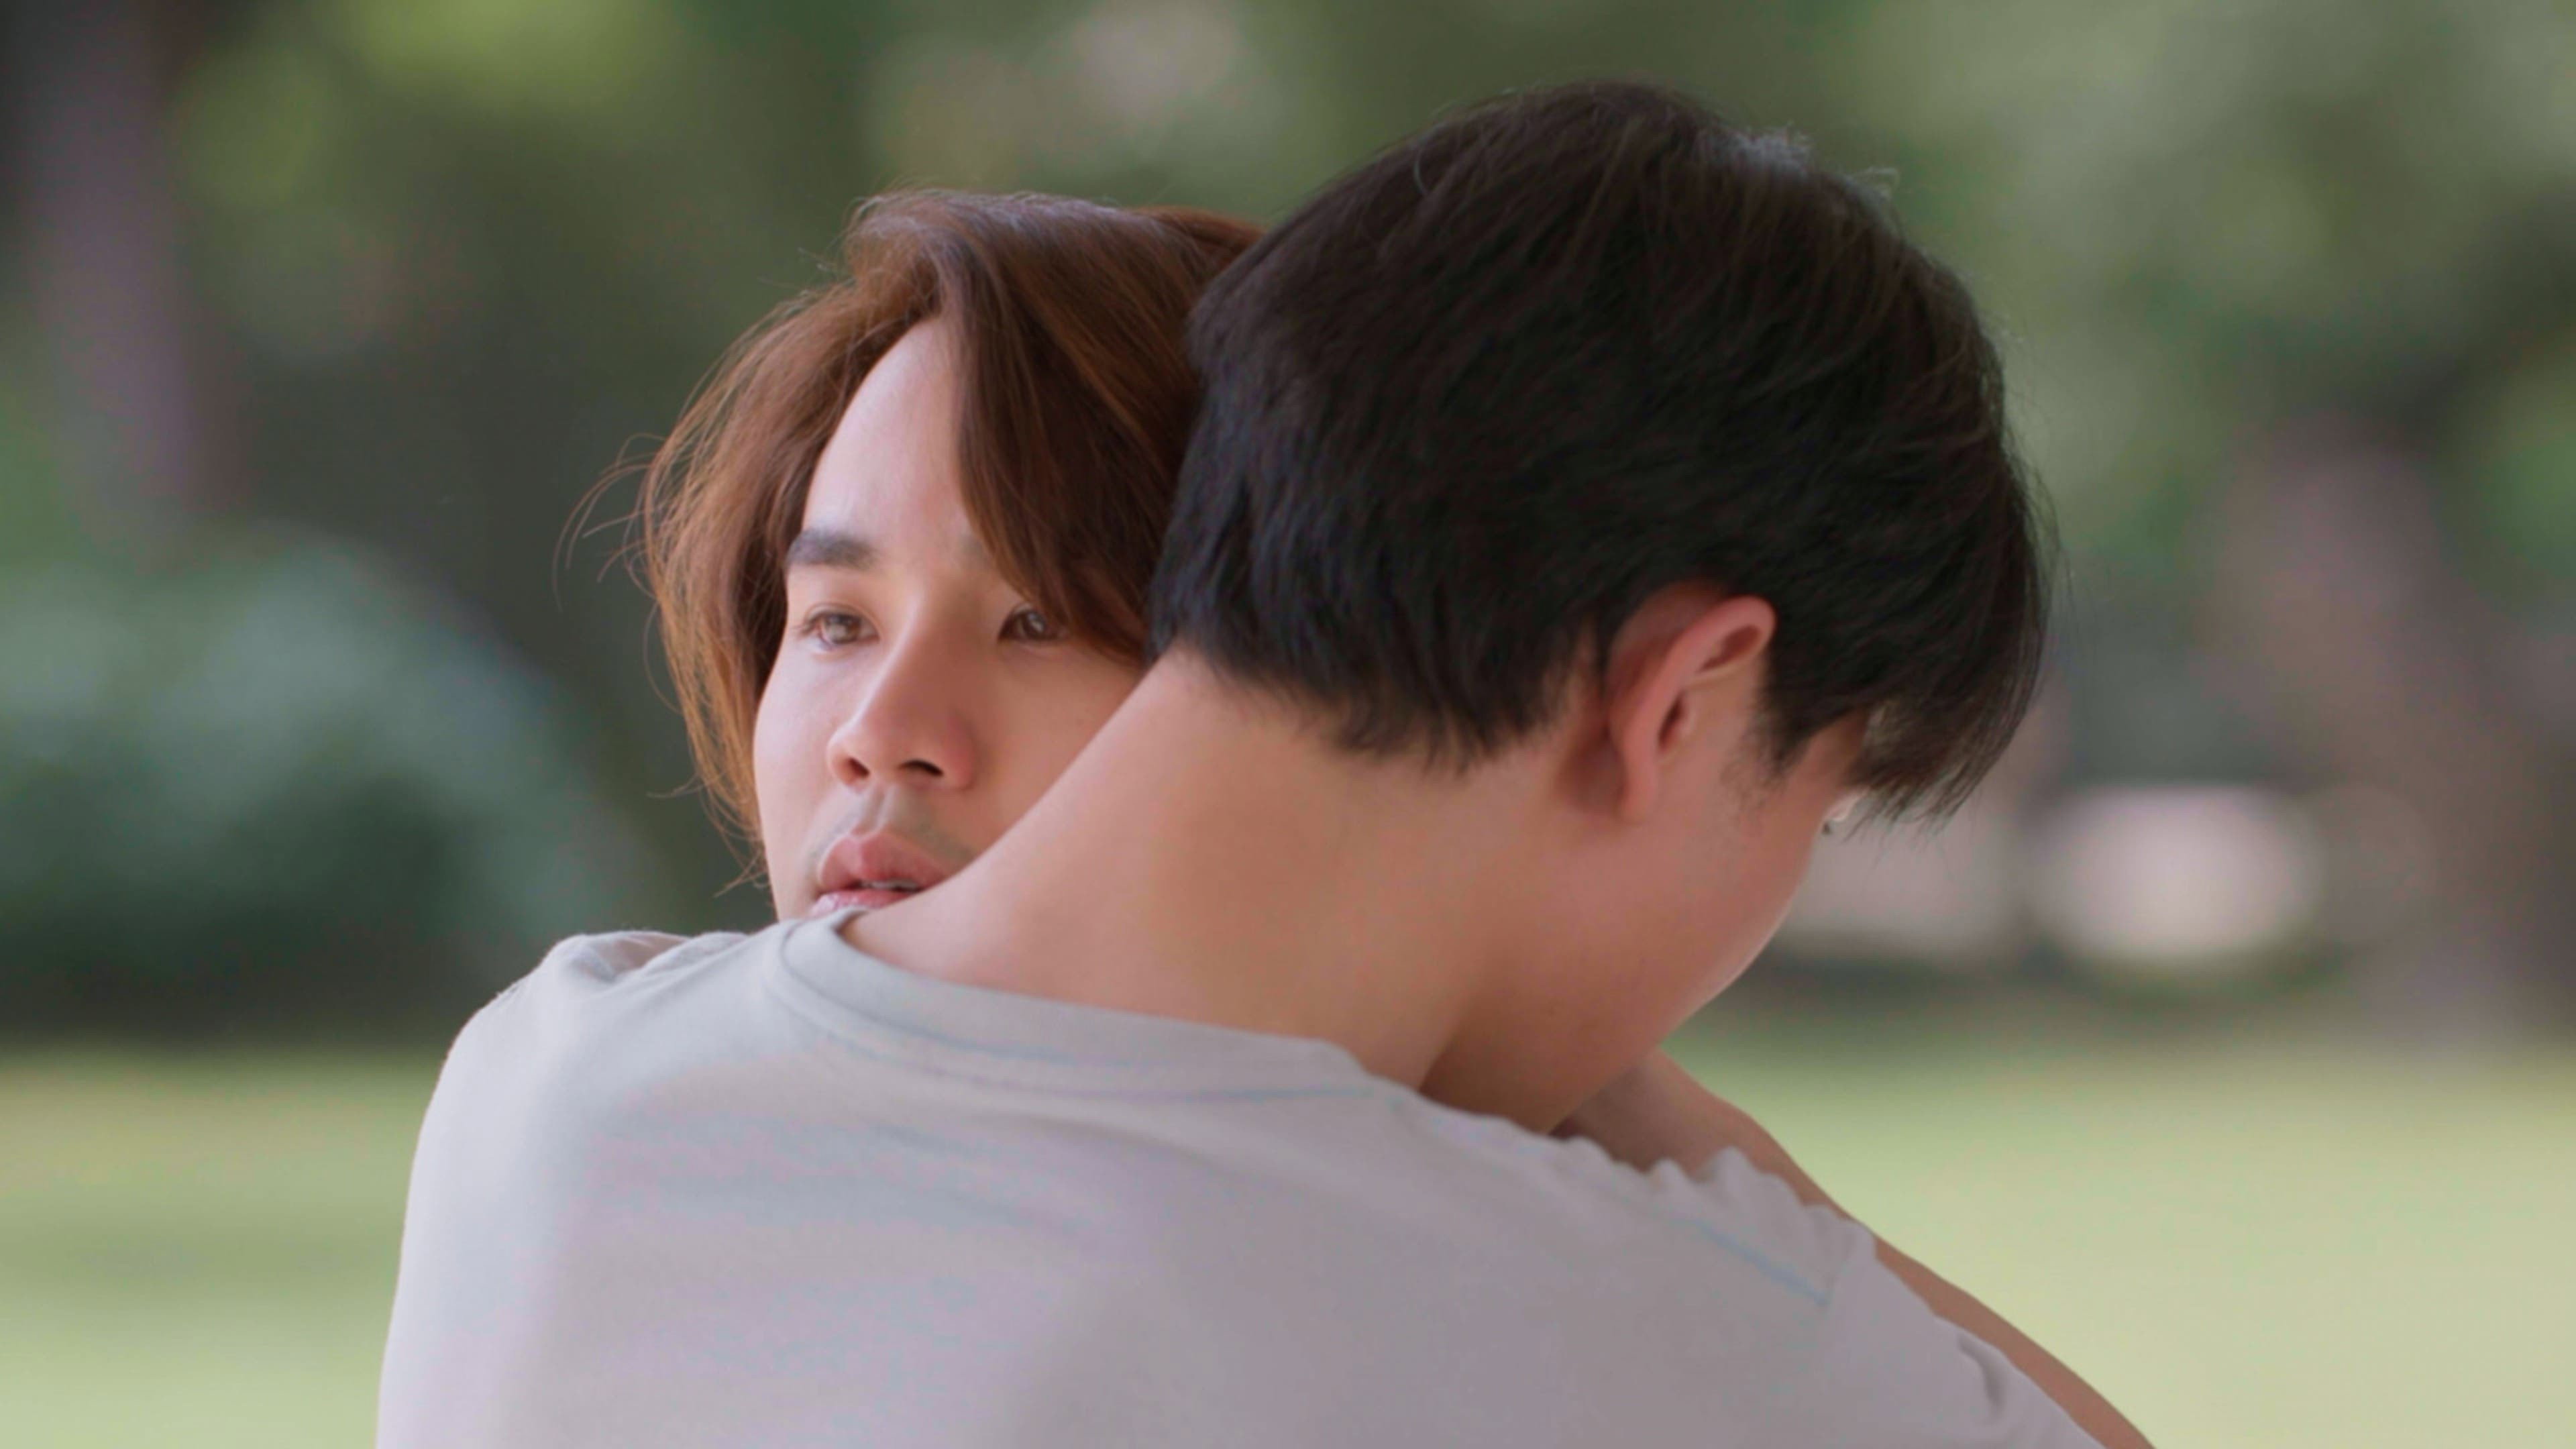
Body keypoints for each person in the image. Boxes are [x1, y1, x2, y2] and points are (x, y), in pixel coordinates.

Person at [380, 83, 2147, 1448]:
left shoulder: (555, 1085)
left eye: (1041, 615)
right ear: (1682, 701)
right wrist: (1675, 1140)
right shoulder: (1631, 1321)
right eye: (1812, 811)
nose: (882, 726)